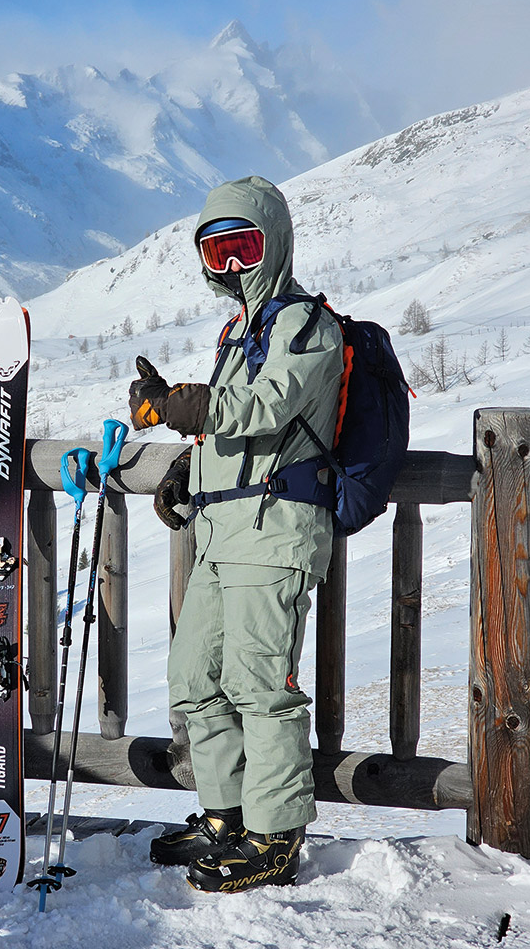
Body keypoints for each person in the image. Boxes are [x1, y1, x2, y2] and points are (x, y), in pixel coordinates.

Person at [128, 175, 343, 894]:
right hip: (223, 531)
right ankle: (224, 817)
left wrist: (187, 405)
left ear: (272, 243)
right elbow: (233, 430)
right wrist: (190, 470)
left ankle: (275, 836)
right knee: (195, 678)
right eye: (214, 253)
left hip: (276, 532)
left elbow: (268, 405)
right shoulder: (237, 333)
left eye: (242, 247)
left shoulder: (307, 326)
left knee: (260, 686)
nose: (231, 268)